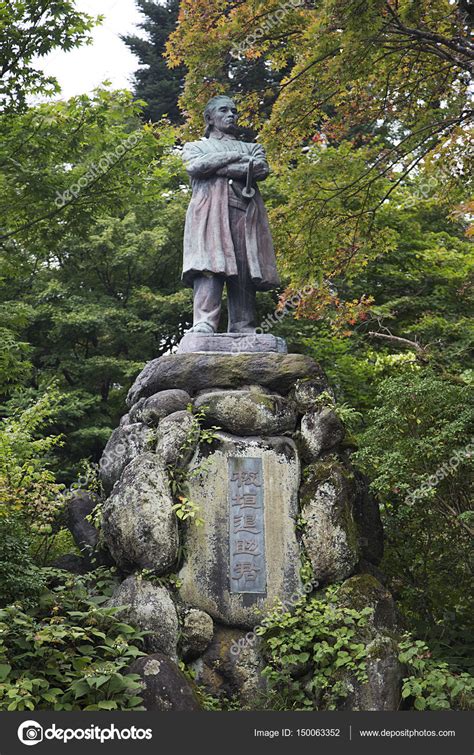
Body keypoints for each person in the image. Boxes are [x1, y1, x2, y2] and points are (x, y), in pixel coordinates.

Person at [181, 95, 280, 334]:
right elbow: (196, 166)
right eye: (224, 111)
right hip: (208, 213)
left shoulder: (252, 147)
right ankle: (204, 322)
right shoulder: (196, 147)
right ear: (209, 118)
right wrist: (235, 159)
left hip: (244, 214)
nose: (231, 115)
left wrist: (216, 166)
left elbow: (260, 169)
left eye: (234, 111)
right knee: (209, 266)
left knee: (245, 267)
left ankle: (243, 325)